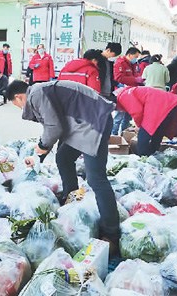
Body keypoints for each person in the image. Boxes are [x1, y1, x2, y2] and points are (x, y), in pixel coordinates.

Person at [7, 79, 120, 253]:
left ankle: (111, 233)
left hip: (94, 123)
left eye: (17, 105)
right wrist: (38, 156)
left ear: (19, 97)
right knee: (63, 157)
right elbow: (53, 126)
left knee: (96, 178)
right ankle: (71, 198)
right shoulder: (40, 92)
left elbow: (53, 127)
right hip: (82, 124)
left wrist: (42, 148)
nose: (21, 109)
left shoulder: (36, 94)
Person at [115, 86, 177, 156]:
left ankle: (144, 158)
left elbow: (137, 112)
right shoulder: (127, 92)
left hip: (158, 105)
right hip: (168, 104)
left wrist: (139, 126)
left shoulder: (123, 97)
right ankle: (153, 155)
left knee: (143, 137)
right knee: (157, 133)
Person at [112, 47, 143, 135]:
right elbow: (119, 78)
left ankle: (124, 136)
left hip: (132, 93)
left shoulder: (133, 64)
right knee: (118, 117)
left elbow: (136, 74)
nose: (136, 59)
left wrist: (138, 80)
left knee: (127, 118)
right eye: (135, 56)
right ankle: (113, 136)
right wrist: (135, 79)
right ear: (129, 55)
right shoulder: (120, 63)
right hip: (122, 93)